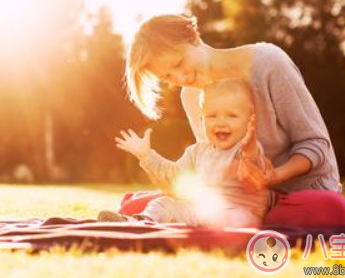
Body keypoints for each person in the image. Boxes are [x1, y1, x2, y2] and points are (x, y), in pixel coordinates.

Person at [112, 14, 345, 227]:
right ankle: (233, 219)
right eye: (167, 76)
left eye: (178, 63)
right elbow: (210, 163)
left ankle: (243, 219)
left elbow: (316, 143)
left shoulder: (268, 63)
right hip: (238, 201)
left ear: (193, 38)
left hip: (296, 192)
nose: (180, 77)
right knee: (134, 207)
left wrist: (273, 177)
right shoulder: (191, 96)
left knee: (331, 209)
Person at [99, 79, 271, 227]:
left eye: (231, 116)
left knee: (237, 218)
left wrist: (249, 149)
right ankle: (139, 222)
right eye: (212, 116)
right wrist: (146, 155)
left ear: (249, 122)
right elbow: (173, 177)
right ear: (202, 119)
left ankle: (208, 232)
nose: (221, 122)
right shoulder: (197, 151)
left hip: (238, 213)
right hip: (203, 211)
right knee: (164, 203)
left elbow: (254, 166)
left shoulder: (246, 148)